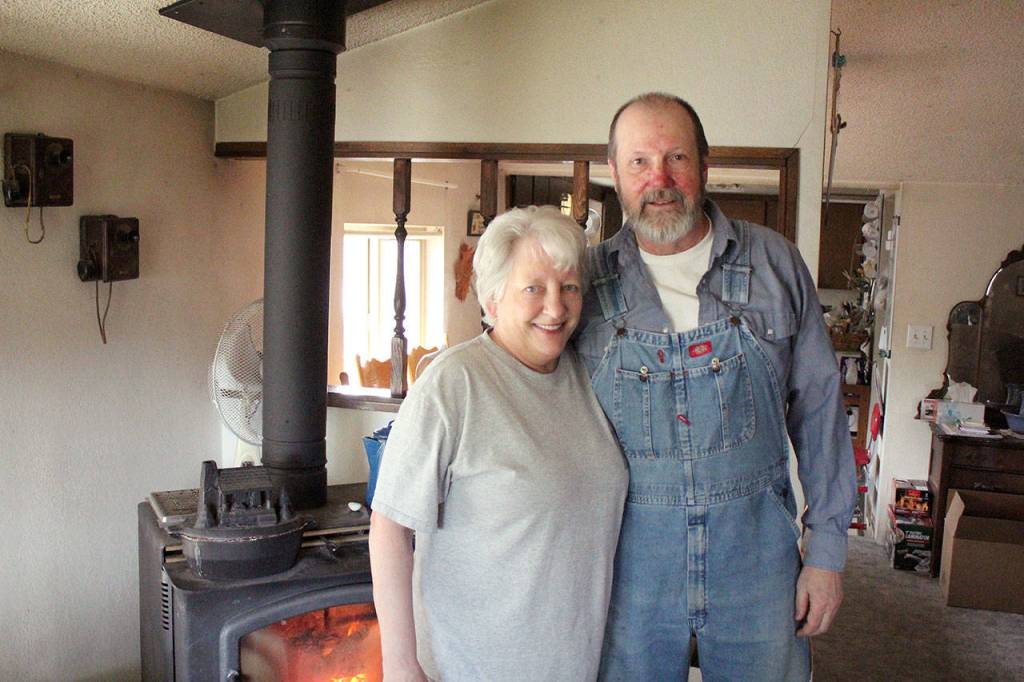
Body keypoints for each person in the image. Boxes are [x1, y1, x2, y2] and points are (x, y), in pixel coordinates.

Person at [574, 92, 857, 681]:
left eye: (676, 158)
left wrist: (827, 551)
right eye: (639, 162)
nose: (659, 179)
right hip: (629, 571)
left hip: (757, 561)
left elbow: (820, 410)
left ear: (704, 164)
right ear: (615, 173)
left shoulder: (774, 264)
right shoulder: (584, 282)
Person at [369, 205, 628, 681]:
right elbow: (389, 527)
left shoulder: (587, 375)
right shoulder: (453, 382)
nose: (556, 307)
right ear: (492, 298)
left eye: (569, 287)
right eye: (534, 288)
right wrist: (400, 665)